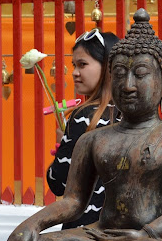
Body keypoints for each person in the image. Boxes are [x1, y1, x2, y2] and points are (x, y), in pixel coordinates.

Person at [5, 9, 162, 241]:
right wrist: (30, 225)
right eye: (119, 74)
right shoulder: (93, 139)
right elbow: (73, 201)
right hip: (102, 236)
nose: (128, 86)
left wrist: (147, 234)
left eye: (140, 74)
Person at [47, 29, 120, 229]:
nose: (75, 72)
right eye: (74, 65)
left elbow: (59, 182)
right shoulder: (133, 115)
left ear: (107, 66)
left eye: (82, 64)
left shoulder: (84, 117)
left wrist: (62, 148)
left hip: (85, 233)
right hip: (125, 231)